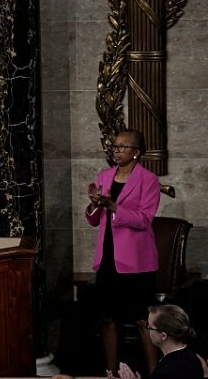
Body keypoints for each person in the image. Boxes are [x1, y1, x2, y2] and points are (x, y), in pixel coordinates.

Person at [85, 129, 160, 375]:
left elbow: (144, 219)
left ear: (136, 153)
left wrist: (115, 206)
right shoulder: (105, 176)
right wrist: (94, 204)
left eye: (122, 147)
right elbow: (95, 220)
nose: (116, 150)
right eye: (114, 146)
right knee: (107, 319)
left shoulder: (148, 180)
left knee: (142, 321)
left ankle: (153, 373)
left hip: (137, 262)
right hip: (108, 259)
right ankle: (111, 373)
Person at [110, 304, 204, 379]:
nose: (148, 330)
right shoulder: (193, 358)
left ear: (163, 335)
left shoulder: (164, 373)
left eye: (149, 327)